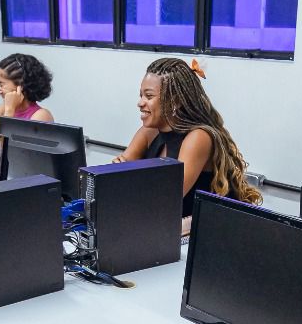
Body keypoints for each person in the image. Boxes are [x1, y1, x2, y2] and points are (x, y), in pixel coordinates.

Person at [111, 57, 261, 217]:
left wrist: (128, 181)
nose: (140, 103)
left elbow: (167, 197)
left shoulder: (198, 137)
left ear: (174, 101)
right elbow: (114, 176)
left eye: (148, 96)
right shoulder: (149, 131)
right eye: (140, 95)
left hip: (211, 230)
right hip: (170, 226)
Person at [0, 52, 54, 130]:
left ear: (21, 85)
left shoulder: (41, 116)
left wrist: (9, 111)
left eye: (1, 85)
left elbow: (9, 140)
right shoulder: (4, 107)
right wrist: (7, 108)